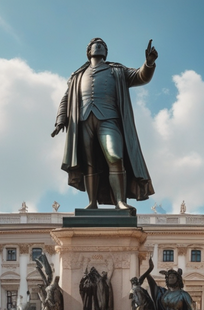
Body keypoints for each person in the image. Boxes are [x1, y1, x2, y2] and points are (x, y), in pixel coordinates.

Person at [52, 38, 157, 211]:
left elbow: (140, 76)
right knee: (89, 163)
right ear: (89, 51)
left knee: (115, 156)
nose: (99, 46)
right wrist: (60, 119)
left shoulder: (117, 70)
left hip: (109, 119)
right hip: (84, 121)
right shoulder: (77, 75)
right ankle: (92, 203)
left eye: (103, 45)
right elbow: (66, 98)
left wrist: (149, 63)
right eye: (96, 44)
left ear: (105, 52)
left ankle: (120, 201)